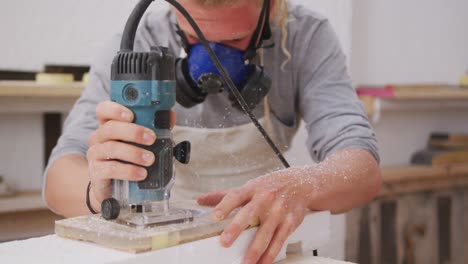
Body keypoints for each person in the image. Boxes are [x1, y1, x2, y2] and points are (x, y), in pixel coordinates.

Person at [44, 0, 381, 263]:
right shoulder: (136, 44)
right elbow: (58, 178)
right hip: (159, 249)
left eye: (235, 39)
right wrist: (99, 190)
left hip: (259, 248)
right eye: (193, 35)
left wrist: (306, 183)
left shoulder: (304, 36)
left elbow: (362, 168)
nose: (212, 58)